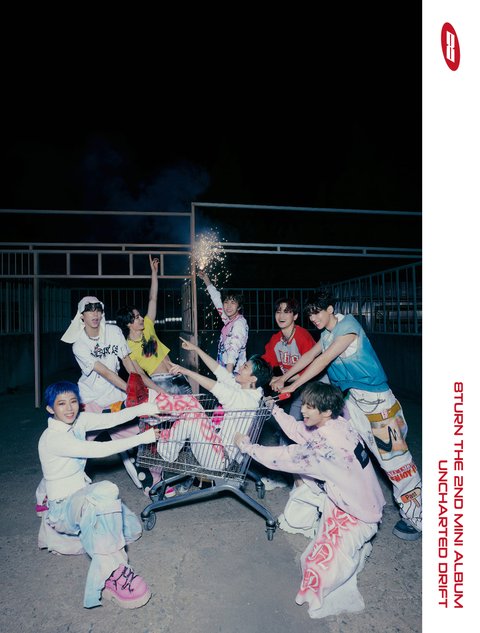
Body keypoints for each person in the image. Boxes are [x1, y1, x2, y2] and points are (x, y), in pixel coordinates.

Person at [270, 287, 422, 541]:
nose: (313, 318)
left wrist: (292, 386)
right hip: (352, 402)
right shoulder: (326, 334)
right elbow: (309, 355)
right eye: (310, 314)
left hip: (377, 404)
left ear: (331, 309)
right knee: (347, 453)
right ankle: (350, 506)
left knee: (395, 461)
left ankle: (417, 517)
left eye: (317, 312)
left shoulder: (348, 327)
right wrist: (285, 377)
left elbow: (322, 360)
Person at [234, 382, 385, 619]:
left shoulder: (324, 446)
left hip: (359, 513)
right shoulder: (339, 423)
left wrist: (246, 446)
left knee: (316, 573)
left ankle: (356, 546)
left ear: (326, 411)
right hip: (358, 498)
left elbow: (283, 457)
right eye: (304, 403)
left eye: (310, 407)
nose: (303, 410)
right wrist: (275, 409)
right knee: (304, 484)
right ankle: (326, 532)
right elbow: (298, 431)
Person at [37, 380, 164, 609]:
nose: (69, 408)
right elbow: (98, 450)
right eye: (61, 404)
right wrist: (142, 438)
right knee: (105, 492)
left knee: (132, 530)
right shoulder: (53, 438)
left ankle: (83, 539)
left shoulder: (79, 421)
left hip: (81, 498)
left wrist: (144, 408)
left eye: (73, 401)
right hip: (64, 508)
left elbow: (111, 419)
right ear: (50, 408)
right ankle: (112, 576)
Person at [58, 295, 165, 496]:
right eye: (89, 310)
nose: (95, 314)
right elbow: (106, 372)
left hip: (115, 398)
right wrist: (130, 390)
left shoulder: (114, 332)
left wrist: (138, 387)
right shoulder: (79, 344)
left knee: (142, 438)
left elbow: (127, 361)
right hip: (90, 401)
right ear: (81, 316)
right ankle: (51, 492)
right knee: (74, 449)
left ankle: (154, 483)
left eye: (98, 310)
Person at [154, 337, 271, 477]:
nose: (240, 367)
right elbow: (220, 371)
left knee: (192, 409)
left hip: (219, 458)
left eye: (245, 367)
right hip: (217, 445)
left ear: (253, 379)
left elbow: (217, 388)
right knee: (191, 414)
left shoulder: (246, 400)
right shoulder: (245, 389)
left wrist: (187, 371)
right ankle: (167, 450)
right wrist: (196, 349)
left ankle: (163, 443)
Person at [260, 296, 319, 490]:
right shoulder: (276, 339)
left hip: (314, 387)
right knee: (288, 429)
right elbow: (265, 364)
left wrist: (282, 380)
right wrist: (260, 376)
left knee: (292, 429)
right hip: (296, 388)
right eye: (278, 311)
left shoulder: (302, 336)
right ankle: (292, 477)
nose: (281, 315)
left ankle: (298, 480)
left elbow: (310, 371)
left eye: (287, 311)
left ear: (295, 316)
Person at [116, 255, 192, 396]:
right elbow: (140, 374)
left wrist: (154, 273)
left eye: (139, 315)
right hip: (160, 382)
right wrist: (159, 391)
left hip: (177, 375)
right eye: (136, 318)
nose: (141, 319)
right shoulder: (127, 347)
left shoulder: (147, 326)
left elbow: (153, 298)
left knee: (192, 408)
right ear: (128, 324)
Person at [197, 270, 248, 374]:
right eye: (226, 302)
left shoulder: (239, 324)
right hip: (225, 369)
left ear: (239, 307)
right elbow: (216, 299)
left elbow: (233, 350)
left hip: (235, 373)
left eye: (233, 303)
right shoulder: (228, 319)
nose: (228, 306)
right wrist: (206, 279)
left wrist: (227, 376)